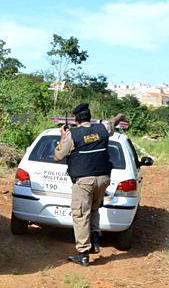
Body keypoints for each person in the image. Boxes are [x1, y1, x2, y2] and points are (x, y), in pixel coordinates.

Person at [53, 103, 127, 266]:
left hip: (84, 181)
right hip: (103, 180)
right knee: (94, 209)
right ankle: (95, 242)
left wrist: (62, 136)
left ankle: (83, 253)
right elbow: (112, 122)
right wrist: (120, 116)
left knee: (80, 215)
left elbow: (58, 155)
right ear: (89, 117)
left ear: (75, 119)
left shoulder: (73, 135)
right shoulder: (102, 129)